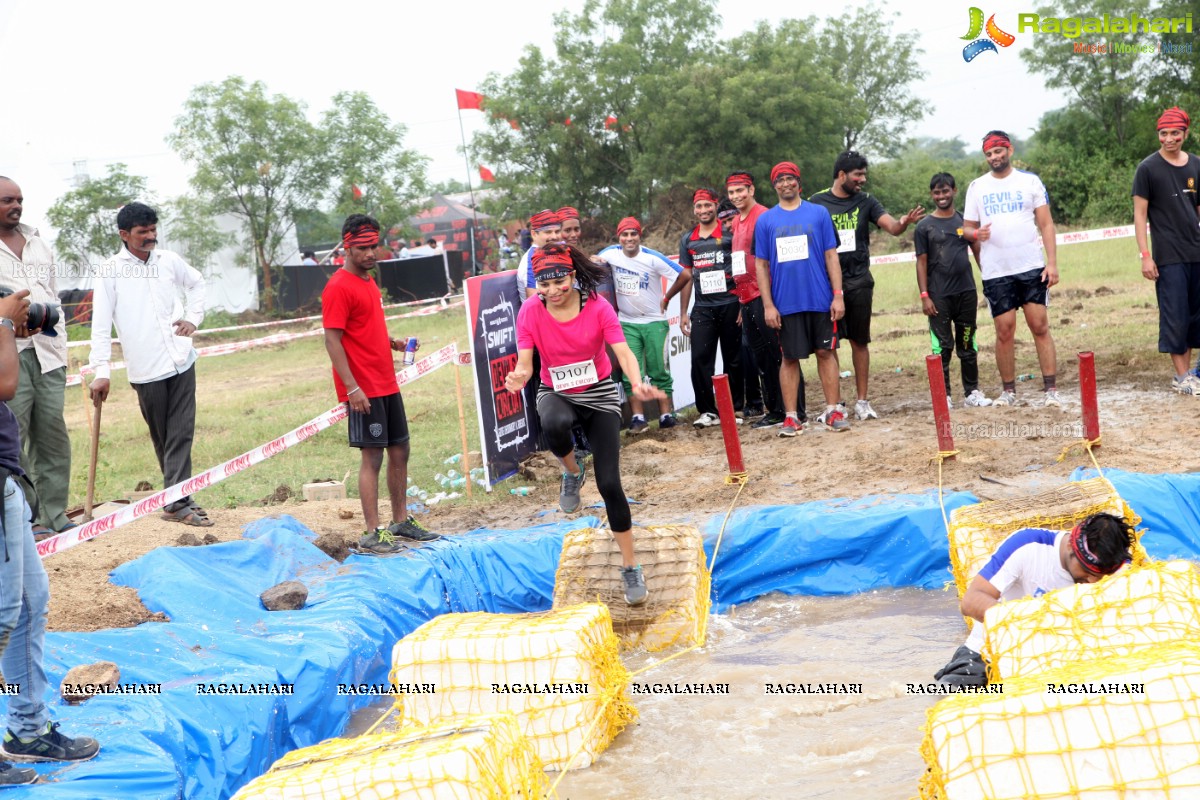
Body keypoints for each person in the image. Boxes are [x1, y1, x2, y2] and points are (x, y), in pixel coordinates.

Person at [505, 244, 663, 605]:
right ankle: (572, 472)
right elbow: (527, 364)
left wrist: (636, 382)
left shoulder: (597, 306)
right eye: (543, 286)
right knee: (554, 422)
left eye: (559, 282)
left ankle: (630, 566)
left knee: (610, 484)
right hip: (556, 391)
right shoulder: (530, 310)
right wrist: (518, 375)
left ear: (573, 276)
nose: (552, 292)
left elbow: (622, 351)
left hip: (600, 394)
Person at [0, 288, 100, 784]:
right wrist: (2, 324)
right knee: (1, 615)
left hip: (8, 479)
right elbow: (4, 382)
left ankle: (26, 730)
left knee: (30, 603)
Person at [322, 214, 440, 555]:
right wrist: (352, 388)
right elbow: (332, 340)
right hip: (364, 388)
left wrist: (392, 343)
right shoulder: (338, 287)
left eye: (374, 245)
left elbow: (363, 328)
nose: (371, 253)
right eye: (363, 247)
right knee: (372, 458)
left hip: (386, 381)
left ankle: (400, 521)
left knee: (400, 449)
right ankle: (373, 532)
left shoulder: (368, 282)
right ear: (347, 246)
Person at [89, 202, 213, 527]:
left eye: (153, 229)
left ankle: (177, 501)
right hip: (146, 370)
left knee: (181, 433)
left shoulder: (168, 260)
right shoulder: (109, 271)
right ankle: (178, 499)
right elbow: (100, 325)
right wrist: (101, 371)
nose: (150, 236)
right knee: (164, 438)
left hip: (182, 358)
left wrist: (192, 319)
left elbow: (197, 283)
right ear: (124, 234)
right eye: (143, 231)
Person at [934, 513, 1133, 686]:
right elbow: (971, 601)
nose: (1092, 581)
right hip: (988, 657)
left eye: (1100, 577)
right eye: (1087, 571)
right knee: (944, 698)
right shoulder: (1028, 545)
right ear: (1072, 548)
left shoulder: (1117, 570)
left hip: (1061, 663)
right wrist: (1034, 622)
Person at [809, 151, 924, 421]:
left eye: (864, 175)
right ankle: (835, 405)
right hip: (826, 285)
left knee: (860, 342)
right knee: (830, 345)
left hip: (859, 281)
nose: (862, 180)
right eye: (857, 175)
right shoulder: (817, 203)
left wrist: (903, 223)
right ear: (841, 175)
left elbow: (892, 228)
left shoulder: (866, 201)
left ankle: (862, 402)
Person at [963, 131, 1061, 407]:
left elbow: (1046, 224)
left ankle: (1050, 390)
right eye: (989, 154)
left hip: (1031, 266)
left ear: (1010, 150)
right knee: (1004, 331)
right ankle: (1008, 392)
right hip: (996, 271)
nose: (994, 157)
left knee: (1039, 326)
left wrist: (1051, 263)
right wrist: (975, 234)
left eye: (998, 151)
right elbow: (966, 228)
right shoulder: (977, 187)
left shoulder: (1029, 182)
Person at [0, 177, 73, 536]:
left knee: (53, 437)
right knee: (15, 439)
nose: (16, 206)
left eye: (19, 200)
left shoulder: (39, 242)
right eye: (6, 200)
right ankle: (26, 520)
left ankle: (55, 515)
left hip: (48, 350)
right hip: (9, 354)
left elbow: (53, 294)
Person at [754, 161, 848, 436]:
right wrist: (768, 305)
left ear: (798, 182)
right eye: (779, 180)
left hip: (820, 300)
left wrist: (838, 296)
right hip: (786, 303)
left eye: (790, 178)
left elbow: (832, 256)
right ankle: (792, 417)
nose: (785, 183)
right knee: (789, 359)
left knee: (825, 352)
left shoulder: (818, 213)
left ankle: (833, 411)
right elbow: (761, 265)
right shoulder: (766, 220)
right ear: (774, 186)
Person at [1132, 106, 1200, 396]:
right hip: (1168, 256)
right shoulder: (1147, 168)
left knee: (1196, 316)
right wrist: (1145, 256)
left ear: (1185, 133)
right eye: (1164, 133)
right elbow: (1139, 215)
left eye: (1175, 133)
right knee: (1176, 315)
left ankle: (1192, 374)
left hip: (1196, 252)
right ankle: (1182, 377)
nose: (1169, 139)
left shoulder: (1196, 164)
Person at [663, 188, 743, 429]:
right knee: (699, 359)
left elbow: (741, 269)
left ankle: (735, 408)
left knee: (734, 359)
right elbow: (687, 275)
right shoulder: (688, 239)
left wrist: (742, 303)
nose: (703, 210)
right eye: (699, 206)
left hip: (730, 304)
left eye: (708, 205)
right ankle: (708, 411)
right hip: (704, 309)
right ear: (694, 210)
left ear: (716, 206)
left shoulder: (730, 234)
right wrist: (683, 310)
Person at [598, 217, 686, 433]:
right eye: (624, 235)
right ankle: (638, 418)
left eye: (633, 234)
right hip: (627, 323)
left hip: (654, 321)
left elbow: (685, 275)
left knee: (659, 369)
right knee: (631, 371)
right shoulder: (610, 254)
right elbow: (595, 261)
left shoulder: (652, 258)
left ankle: (666, 415)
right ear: (618, 237)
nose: (629, 239)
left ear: (640, 234)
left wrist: (667, 298)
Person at [914, 173, 992, 408]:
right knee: (942, 347)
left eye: (945, 191)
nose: (941, 196)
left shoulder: (964, 223)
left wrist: (987, 280)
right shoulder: (924, 226)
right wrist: (925, 296)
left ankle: (972, 392)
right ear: (932, 195)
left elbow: (978, 251)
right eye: (937, 192)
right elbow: (921, 262)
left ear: (954, 191)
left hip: (966, 293)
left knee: (967, 344)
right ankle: (943, 396)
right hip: (938, 297)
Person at [727, 170, 791, 429]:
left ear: (751, 190)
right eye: (731, 192)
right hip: (745, 298)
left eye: (740, 190)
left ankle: (792, 409)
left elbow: (772, 260)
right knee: (761, 357)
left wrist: (770, 302)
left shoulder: (764, 216)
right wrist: (742, 302)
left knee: (779, 355)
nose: (736, 196)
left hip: (765, 295)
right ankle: (774, 409)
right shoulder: (735, 222)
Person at [515, 210, 562, 300]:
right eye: (548, 232)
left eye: (557, 231)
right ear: (534, 234)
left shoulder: (552, 251)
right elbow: (535, 300)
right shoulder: (531, 259)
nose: (554, 237)